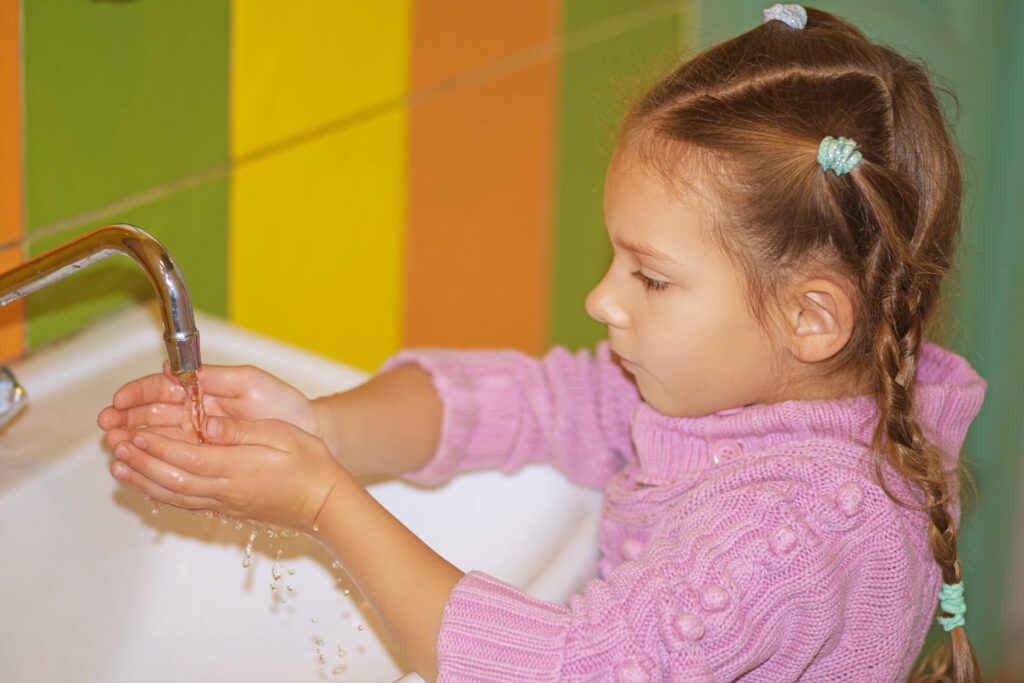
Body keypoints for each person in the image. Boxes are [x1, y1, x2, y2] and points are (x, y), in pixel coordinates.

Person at [97, 5, 987, 681]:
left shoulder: (788, 533)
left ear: (812, 317)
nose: (600, 298)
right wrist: (324, 428)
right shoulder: (746, 392)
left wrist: (328, 504)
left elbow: (572, 668)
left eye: (651, 275)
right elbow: (533, 401)